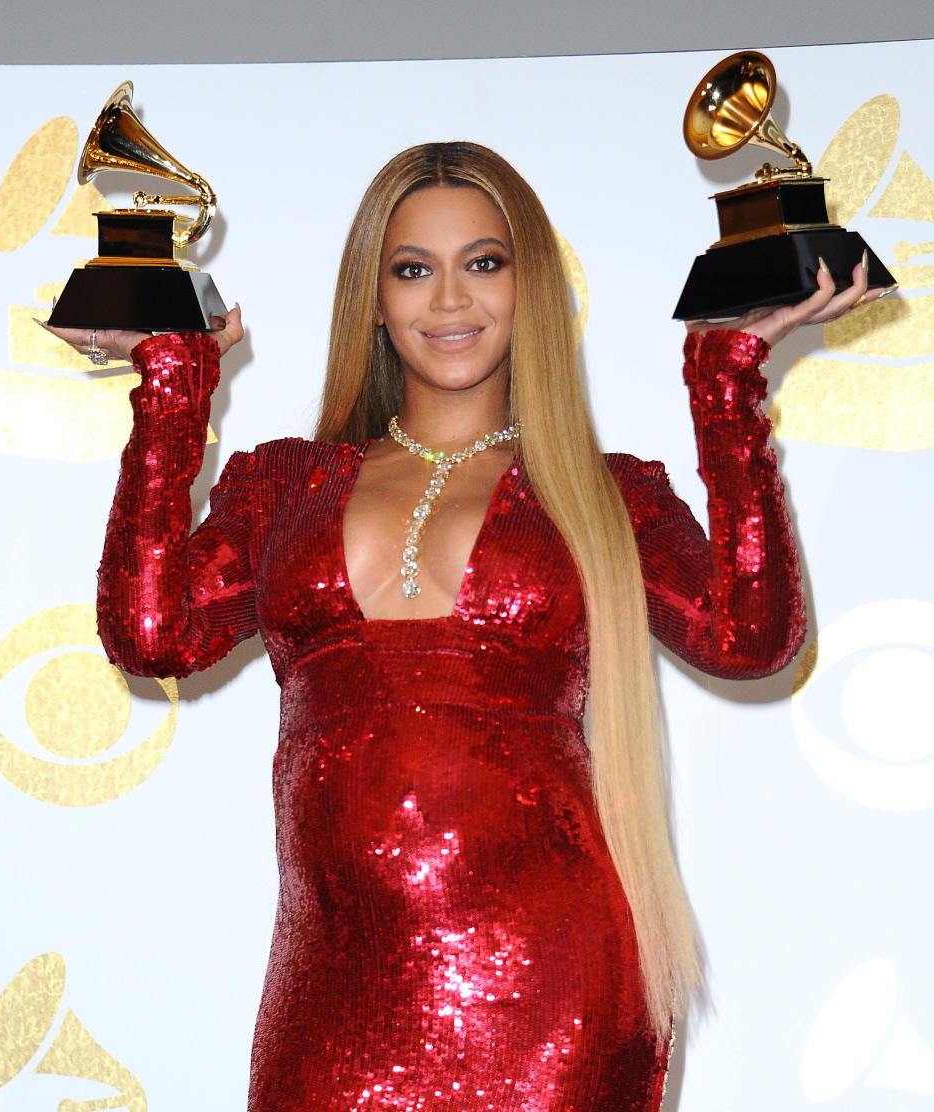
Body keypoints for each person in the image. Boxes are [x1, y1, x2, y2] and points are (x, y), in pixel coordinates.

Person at [44, 141, 873, 1111]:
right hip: (332, 995)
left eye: (484, 263)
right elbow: (151, 635)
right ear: (375, 296)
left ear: (530, 285)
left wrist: (727, 382)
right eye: (412, 269)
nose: (448, 302)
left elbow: (753, 637)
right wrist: (170, 396)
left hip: (552, 989)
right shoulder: (283, 487)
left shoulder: (604, 495)